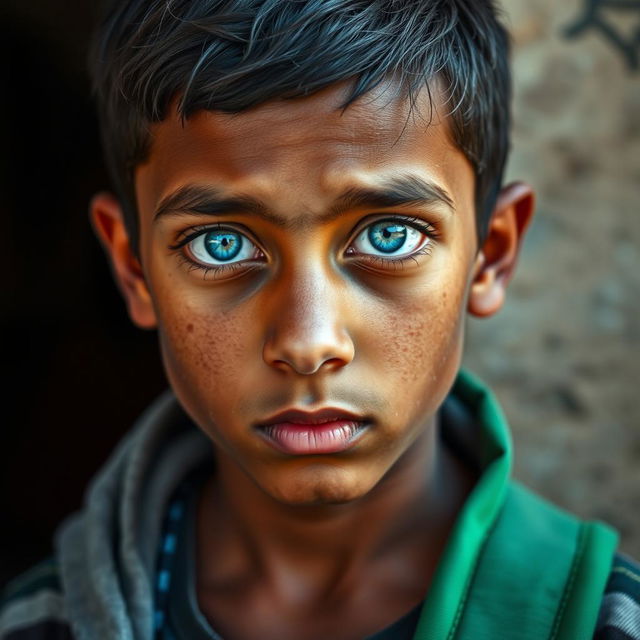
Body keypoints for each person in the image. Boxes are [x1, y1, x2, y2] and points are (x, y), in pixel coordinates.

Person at [1, 1, 638, 639]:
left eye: (390, 236)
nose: (308, 343)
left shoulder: (604, 625)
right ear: (133, 269)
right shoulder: (35, 625)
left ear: (490, 253)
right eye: (219, 245)